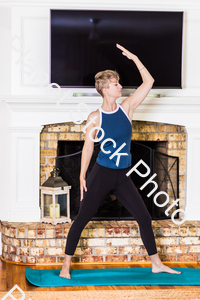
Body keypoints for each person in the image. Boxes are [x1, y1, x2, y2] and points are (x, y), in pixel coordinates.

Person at [60, 44, 181, 279]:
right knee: (82, 218)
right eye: (116, 84)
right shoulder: (95, 117)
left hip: (123, 173)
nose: (120, 86)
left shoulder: (127, 108)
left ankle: (156, 263)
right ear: (106, 89)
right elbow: (87, 147)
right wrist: (82, 175)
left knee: (144, 217)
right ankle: (65, 266)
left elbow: (149, 82)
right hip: (102, 173)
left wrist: (136, 58)